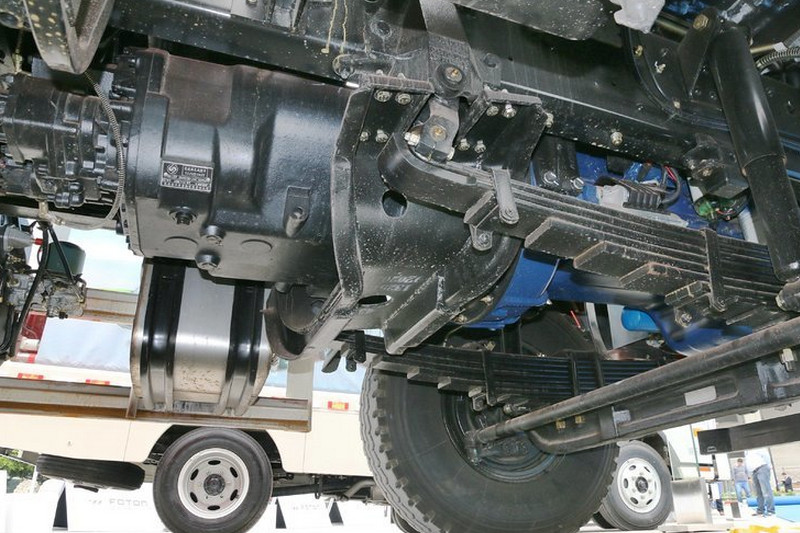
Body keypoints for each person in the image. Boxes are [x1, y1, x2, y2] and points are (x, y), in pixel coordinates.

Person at [745, 448, 776, 516]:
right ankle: (760, 510)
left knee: (766, 490)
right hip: (754, 471)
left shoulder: (757, 447)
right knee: (758, 492)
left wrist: (769, 466)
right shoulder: (746, 451)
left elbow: (766, 456)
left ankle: (771, 510)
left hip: (762, 468)